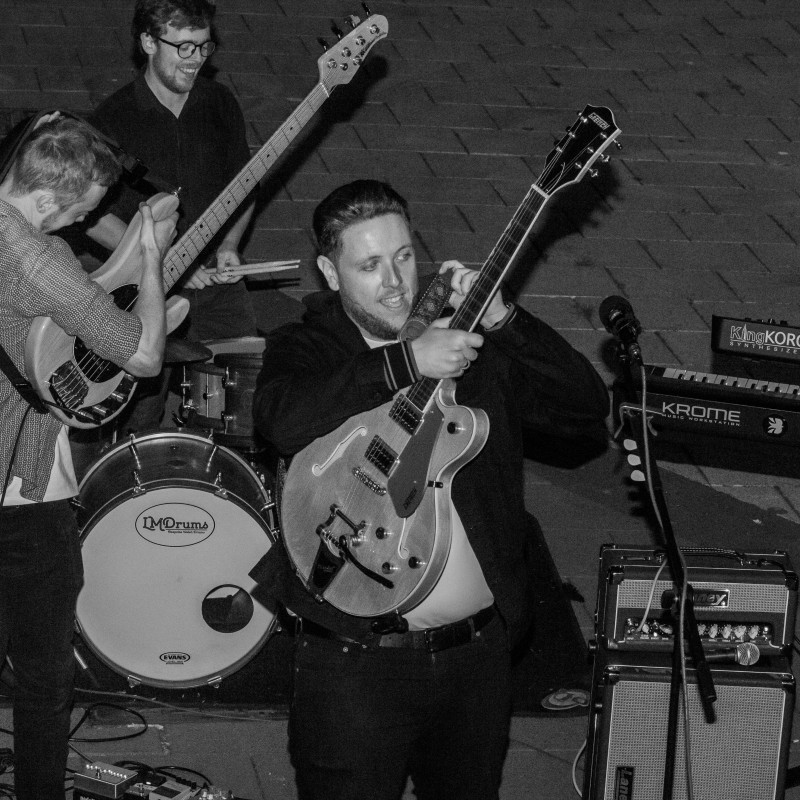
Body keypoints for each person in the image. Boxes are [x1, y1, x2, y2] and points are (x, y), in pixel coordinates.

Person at [250, 179, 610, 799]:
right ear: (330, 274)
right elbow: (281, 419)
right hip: (354, 665)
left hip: (477, 658)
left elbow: (585, 406)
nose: (394, 282)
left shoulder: (470, 344)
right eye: (369, 266)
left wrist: (505, 320)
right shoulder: (310, 346)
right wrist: (407, 361)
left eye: (403, 257)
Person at [0, 115, 174, 800]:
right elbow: (144, 353)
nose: (87, 220)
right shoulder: (40, 260)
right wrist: (152, 258)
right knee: (44, 675)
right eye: (83, 209)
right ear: (47, 198)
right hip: (22, 495)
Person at [84, 0, 258, 433]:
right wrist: (157, 258)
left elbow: (245, 186)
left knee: (240, 408)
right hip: (142, 287)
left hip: (217, 287)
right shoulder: (112, 119)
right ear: (148, 42)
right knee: (138, 420)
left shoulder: (219, 103)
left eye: (203, 46)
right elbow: (91, 217)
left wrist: (231, 245)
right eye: (183, 47)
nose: (195, 59)